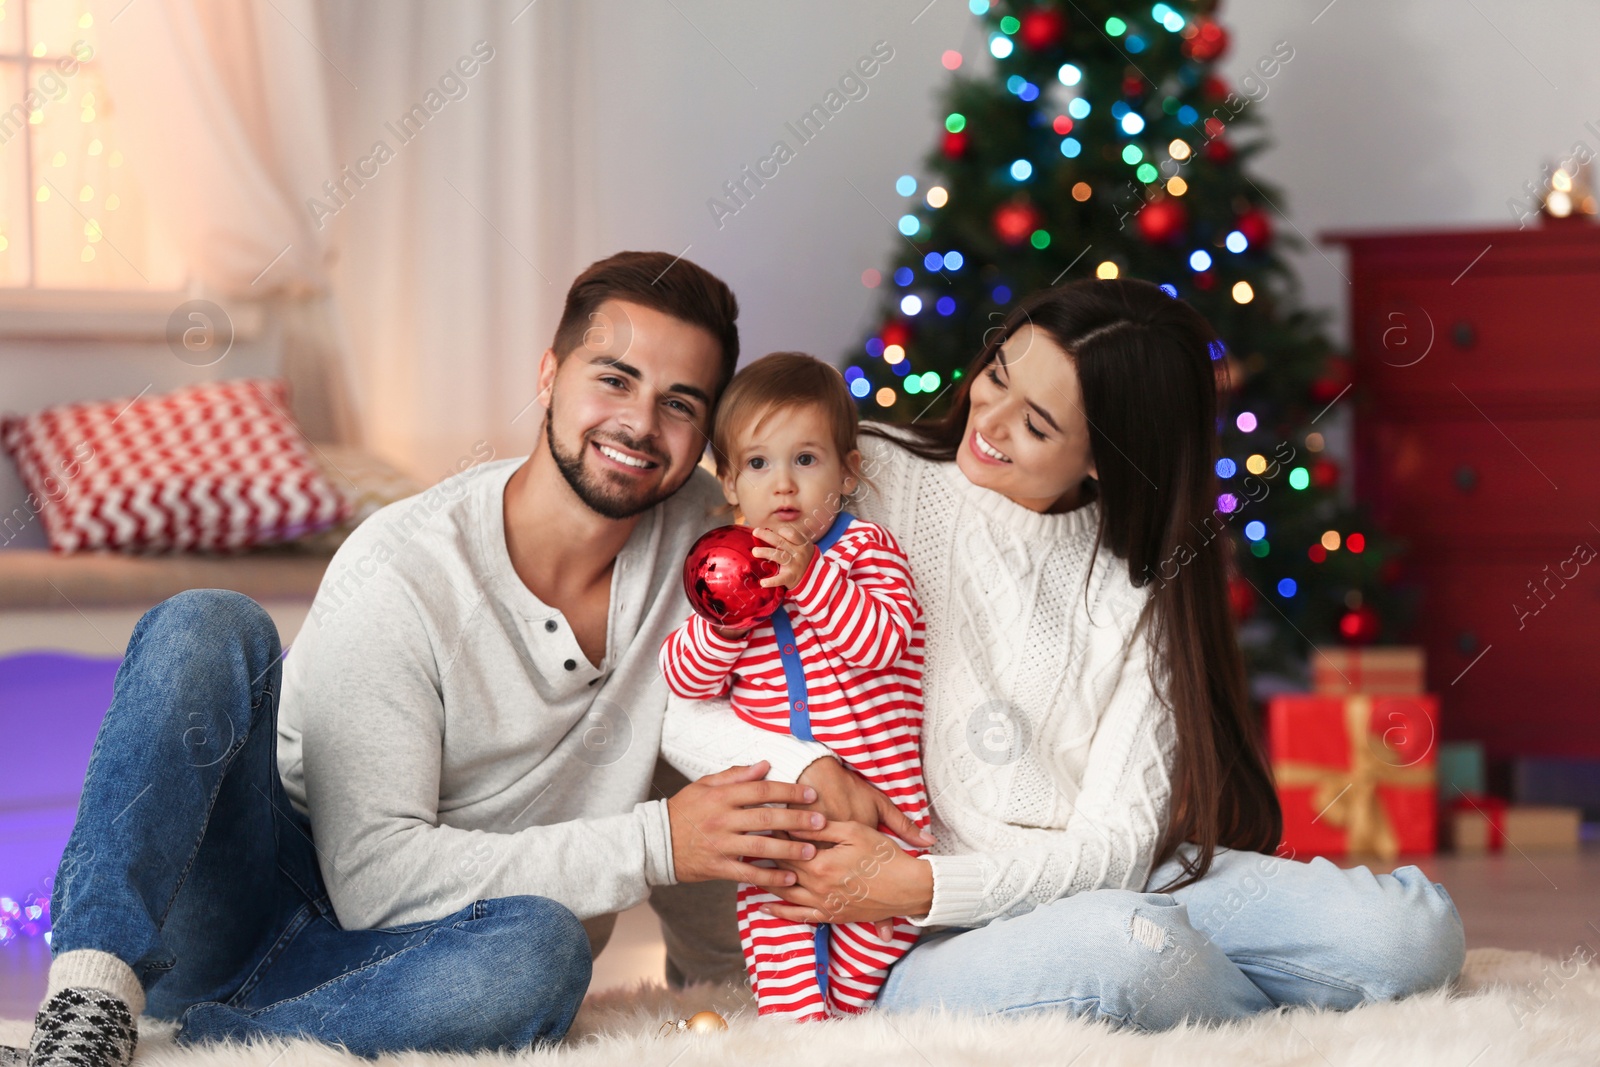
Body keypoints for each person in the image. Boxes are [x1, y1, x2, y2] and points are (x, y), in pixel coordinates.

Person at [19, 251, 921, 1067]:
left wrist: (809, 780)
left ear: (709, 447)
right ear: (549, 375)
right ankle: (88, 1011)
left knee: (545, 951)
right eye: (615, 378)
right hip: (261, 895)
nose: (640, 423)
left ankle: (213, 1048)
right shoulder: (404, 566)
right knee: (204, 621)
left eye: (680, 403)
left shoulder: (717, 550)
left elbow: (864, 468)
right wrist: (660, 843)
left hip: (440, 965)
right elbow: (373, 881)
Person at [664, 278, 1467, 1031]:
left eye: (1037, 423)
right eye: (998, 373)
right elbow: (682, 701)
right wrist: (804, 766)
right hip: (906, 938)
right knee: (1133, 950)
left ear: (1104, 459)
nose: (990, 417)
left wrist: (929, 884)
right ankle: (1233, 1007)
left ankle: (1204, 995)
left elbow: (1118, 846)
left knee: (1408, 935)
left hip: (1052, 880)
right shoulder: (853, 476)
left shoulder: (1148, 583)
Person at [659, 353, 929, 1020]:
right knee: (782, 962)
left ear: (847, 470)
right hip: (777, 831)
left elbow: (881, 643)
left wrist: (812, 579)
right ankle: (800, 1040)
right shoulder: (723, 571)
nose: (783, 484)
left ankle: (859, 1028)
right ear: (728, 480)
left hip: (881, 822)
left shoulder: (867, 552)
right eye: (758, 464)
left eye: (805, 460)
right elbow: (685, 682)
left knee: (871, 971)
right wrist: (723, 620)